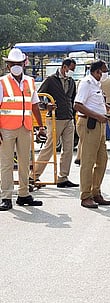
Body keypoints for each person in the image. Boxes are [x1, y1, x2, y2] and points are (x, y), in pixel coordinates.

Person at [0, 48, 46, 210]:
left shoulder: (30, 82)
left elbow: (35, 105)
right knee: (6, 164)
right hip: (5, 129)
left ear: (23, 64)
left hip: (25, 127)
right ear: (8, 66)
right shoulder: (2, 82)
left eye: (19, 63)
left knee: (25, 163)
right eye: (13, 64)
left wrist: (40, 126)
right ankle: (6, 196)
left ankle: (24, 194)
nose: (16, 66)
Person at [73, 60, 110, 209]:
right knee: (88, 161)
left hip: (99, 125)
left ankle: (96, 192)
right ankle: (85, 195)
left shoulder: (96, 84)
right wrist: (97, 116)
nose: (105, 73)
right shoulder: (86, 83)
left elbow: (98, 103)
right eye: (104, 70)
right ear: (97, 71)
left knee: (102, 160)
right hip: (90, 124)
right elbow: (77, 105)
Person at [30, 58, 79, 188]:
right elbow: (37, 96)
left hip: (68, 118)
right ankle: (33, 176)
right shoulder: (51, 80)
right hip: (54, 118)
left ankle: (63, 177)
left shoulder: (71, 82)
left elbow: (73, 99)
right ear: (64, 67)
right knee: (49, 148)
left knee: (68, 149)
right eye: (71, 69)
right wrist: (46, 106)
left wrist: (73, 114)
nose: (72, 72)